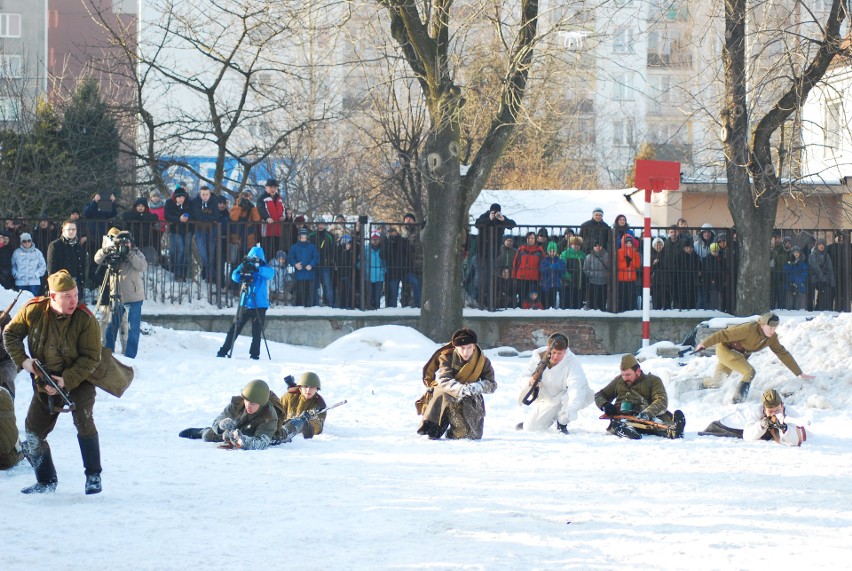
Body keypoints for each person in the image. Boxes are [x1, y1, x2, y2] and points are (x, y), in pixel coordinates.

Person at [3, 269, 104, 494]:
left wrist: (66, 379)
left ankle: (93, 475)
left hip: (79, 379)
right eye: (67, 296)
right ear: (53, 296)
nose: (73, 300)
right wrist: (25, 363)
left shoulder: (85, 318)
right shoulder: (33, 309)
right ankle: (46, 480)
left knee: (84, 422)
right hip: (44, 379)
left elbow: (92, 358)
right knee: (33, 432)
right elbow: (9, 334)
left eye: (76, 294)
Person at [695, 312, 815, 403]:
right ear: (762, 325)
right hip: (725, 350)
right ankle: (738, 401)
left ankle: (690, 385)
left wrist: (799, 373)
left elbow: (782, 353)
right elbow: (723, 334)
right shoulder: (748, 329)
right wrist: (704, 344)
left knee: (717, 382)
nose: (772, 331)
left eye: (774, 328)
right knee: (749, 371)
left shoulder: (771, 338)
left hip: (738, 355)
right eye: (770, 328)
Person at [416, 328, 497, 440]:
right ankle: (436, 426)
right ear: (455, 347)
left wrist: (478, 386)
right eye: (462, 348)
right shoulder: (446, 357)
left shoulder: (482, 361)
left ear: (474, 346)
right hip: (446, 396)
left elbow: (492, 384)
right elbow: (444, 379)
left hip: (470, 397)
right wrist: (460, 389)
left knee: (470, 435)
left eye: (469, 348)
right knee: (433, 432)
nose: (465, 352)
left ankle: (454, 431)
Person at [594, 354, 685, 440]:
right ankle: (625, 430)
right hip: (622, 417)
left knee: (661, 426)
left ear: (637, 371)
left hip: (647, 418)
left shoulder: (653, 381)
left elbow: (661, 401)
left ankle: (675, 429)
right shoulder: (618, 381)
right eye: (623, 374)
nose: (625, 378)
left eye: (628, 375)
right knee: (618, 425)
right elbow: (600, 395)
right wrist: (604, 404)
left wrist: (647, 413)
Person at [516, 333, 592, 434]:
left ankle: (562, 423)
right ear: (549, 349)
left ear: (565, 351)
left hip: (564, 397)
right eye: (554, 352)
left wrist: (571, 409)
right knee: (531, 428)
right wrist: (530, 382)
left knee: (583, 393)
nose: (556, 357)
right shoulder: (538, 356)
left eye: (560, 353)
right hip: (547, 400)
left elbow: (576, 386)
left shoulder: (572, 362)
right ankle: (535, 421)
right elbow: (522, 377)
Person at [94, 229, 148, 358]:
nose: (124, 245)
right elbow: (97, 259)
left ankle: (130, 356)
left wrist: (129, 254)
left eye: (127, 242)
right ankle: (108, 353)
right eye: (121, 242)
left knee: (132, 328)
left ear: (131, 243)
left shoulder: (136, 253)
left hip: (134, 297)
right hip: (117, 296)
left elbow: (142, 266)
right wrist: (106, 250)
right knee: (112, 326)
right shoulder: (113, 252)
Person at [217, 245, 274, 359]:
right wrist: (243, 269)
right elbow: (234, 276)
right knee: (235, 328)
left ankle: (254, 354)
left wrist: (258, 269)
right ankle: (223, 351)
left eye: (257, 259)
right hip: (246, 303)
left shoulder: (265, 267)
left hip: (260, 304)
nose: (254, 261)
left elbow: (271, 274)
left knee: (257, 331)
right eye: (252, 258)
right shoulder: (244, 265)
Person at [699, 389, 807, 446]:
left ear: (782, 406)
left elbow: (798, 439)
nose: (774, 413)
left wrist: (785, 429)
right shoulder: (754, 412)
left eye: (777, 410)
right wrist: (762, 425)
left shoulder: (790, 413)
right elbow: (747, 436)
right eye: (770, 411)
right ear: (764, 409)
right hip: (725, 427)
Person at [199, 380, 279, 449]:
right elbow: (218, 420)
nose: (248, 405)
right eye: (246, 400)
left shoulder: (269, 416)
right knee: (209, 436)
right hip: (241, 429)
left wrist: (242, 441)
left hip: (263, 431)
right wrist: (221, 424)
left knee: (278, 437)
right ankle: (201, 431)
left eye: (253, 403)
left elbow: (261, 443)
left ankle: (291, 425)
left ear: (261, 404)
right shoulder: (237, 404)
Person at [474, 203, 516, 306]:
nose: (495, 214)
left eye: (497, 212)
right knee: (480, 277)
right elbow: (477, 224)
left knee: (491, 276)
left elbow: (513, 225)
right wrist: (489, 218)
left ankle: (489, 301)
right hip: (481, 251)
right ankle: (477, 299)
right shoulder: (485, 216)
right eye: (493, 212)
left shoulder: (501, 217)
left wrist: (503, 220)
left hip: (494, 252)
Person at [279, 372, 327, 439]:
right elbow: (276, 415)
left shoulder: (320, 405)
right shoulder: (289, 397)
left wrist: (313, 418)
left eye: (312, 387)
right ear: (300, 387)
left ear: (317, 389)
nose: (308, 390)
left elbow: (317, 431)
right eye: (305, 386)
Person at [47, 220, 88, 294]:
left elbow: (82, 265)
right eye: (69, 229)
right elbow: (51, 268)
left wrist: (82, 283)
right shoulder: (55, 245)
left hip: (76, 284)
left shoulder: (78, 246)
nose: (71, 231)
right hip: (61, 285)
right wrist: (52, 286)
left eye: (74, 229)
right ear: (63, 230)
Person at [121, 197, 160, 264]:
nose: (140, 208)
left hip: (145, 243)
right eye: (138, 206)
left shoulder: (148, 215)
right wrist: (138, 216)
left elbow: (155, 217)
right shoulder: (131, 214)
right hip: (133, 242)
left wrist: (142, 217)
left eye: (142, 206)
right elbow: (125, 215)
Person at [164, 187, 191, 281]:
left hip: (187, 230)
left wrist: (187, 217)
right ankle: (177, 273)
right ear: (175, 197)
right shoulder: (169, 203)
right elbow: (167, 215)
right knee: (179, 250)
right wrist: (178, 218)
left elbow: (192, 214)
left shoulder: (188, 203)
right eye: (179, 197)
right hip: (175, 230)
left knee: (185, 252)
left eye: (182, 197)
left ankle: (183, 274)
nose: (181, 199)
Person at [289, 227, 319, 307]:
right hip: (299, 274)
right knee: (299, 292)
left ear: (307, 237)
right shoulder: (294, 247)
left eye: (304, 237)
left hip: (309, 274)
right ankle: (299, 308)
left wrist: (311, 264)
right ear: (299, 237)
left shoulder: (312, 247)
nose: (303, 238)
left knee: (308, 293)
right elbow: (290, 258)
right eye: (301, 237)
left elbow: (316, 258)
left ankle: (307, 308)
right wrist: (295, 264)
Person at [256, 178, 287, 257]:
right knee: (267, 253)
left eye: (275, 187)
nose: (273, 189)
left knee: (276, 253)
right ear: (266, 188)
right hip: (267, 231)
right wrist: (267, 218)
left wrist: (283, 216)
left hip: (278, 230)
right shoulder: (262, 198)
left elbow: (284, 209)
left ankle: (273, 269)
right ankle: (265, 268)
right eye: (271, 187)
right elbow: (261, 209)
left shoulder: (279, 199)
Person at [12, 232, 47, 296]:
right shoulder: (16, 252)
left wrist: (36, 275)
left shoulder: (37, 252)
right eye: (24, 241)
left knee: (33, 302)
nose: (27, 243)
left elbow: (43, 266)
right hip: (20, 282)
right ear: (21, 242)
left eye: (29, 240)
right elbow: (12, 266)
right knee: (21, 302)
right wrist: (16, 274)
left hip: (34, 282)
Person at [583, 240, 609, 310]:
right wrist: (593, 274)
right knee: (592, 303)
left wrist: (604, 275)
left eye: (599, 245)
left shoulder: (607, 256)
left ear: (602, 246)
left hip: (604, 282)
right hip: (593, 282)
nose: (597, 247)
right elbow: (585, 269)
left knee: (602, 303)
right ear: (593, 247)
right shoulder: (589, 257)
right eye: (595, 245)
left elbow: (610, 268)